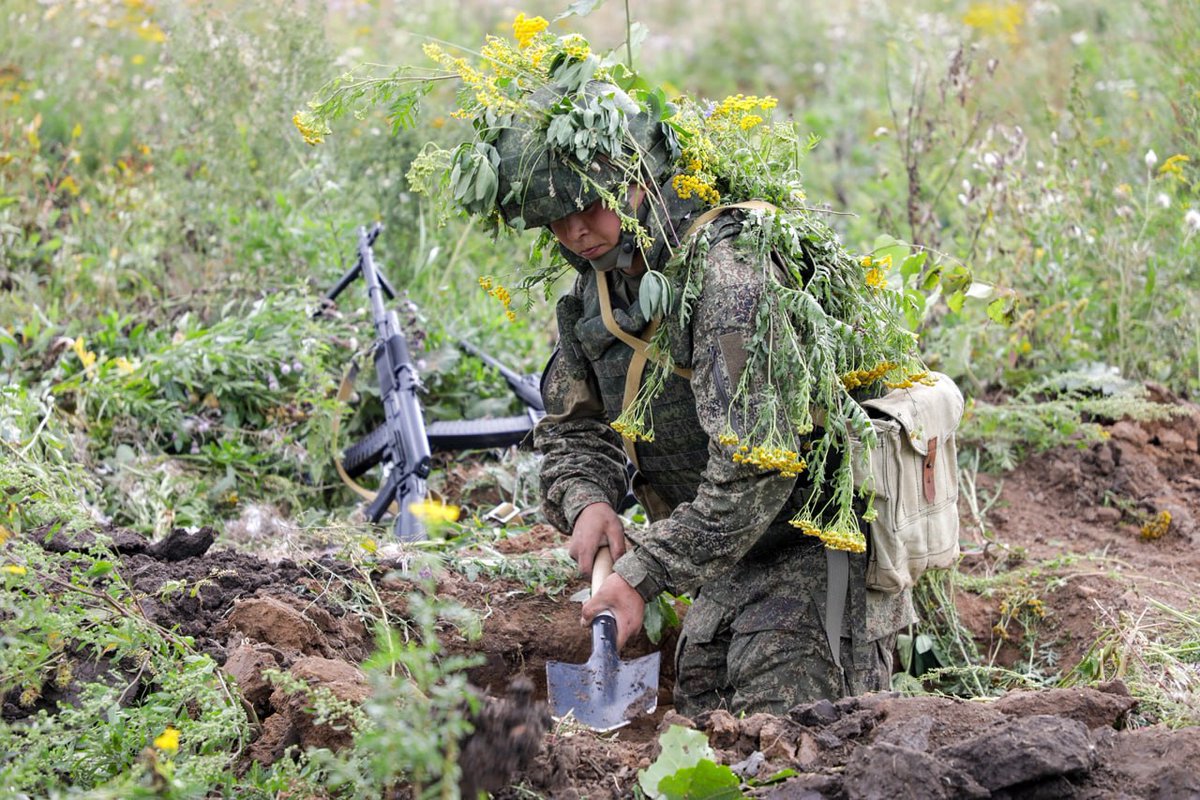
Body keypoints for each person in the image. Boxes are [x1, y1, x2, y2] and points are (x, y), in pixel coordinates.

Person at [482, 80, 917, 717]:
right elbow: (572, 430)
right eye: (557, 216)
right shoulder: (596, 291)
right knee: (699, 738)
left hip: (814, 550)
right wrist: (588, 502)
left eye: (593, 204)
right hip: (721, 561)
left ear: (641, 181)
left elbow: (756, 470)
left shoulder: (732, 278)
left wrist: (643, 571)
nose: (575, 230)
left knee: (790, 746)